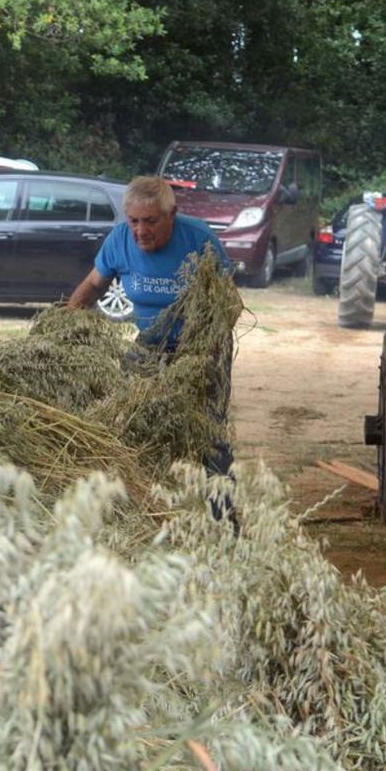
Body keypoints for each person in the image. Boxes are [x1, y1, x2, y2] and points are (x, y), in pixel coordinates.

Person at [67, 174, 239, 517]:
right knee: (131, 419)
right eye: (133, 221)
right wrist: (68, 326)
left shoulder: (199, 240)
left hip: (202, 344)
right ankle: (143, 515)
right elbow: (92, 286)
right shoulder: (119, 242)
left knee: (210, 433)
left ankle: (222, 521)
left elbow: (230, 304)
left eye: (150, 221)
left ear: (171, 215)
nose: (141, 230)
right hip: (150, 341)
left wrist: (204, 349)